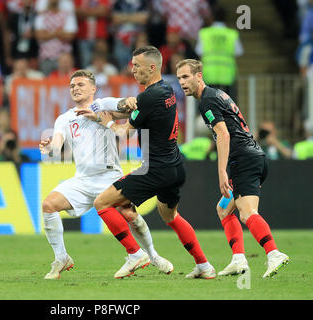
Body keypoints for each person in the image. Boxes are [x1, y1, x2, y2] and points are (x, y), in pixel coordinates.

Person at [79, 46, 216, 279]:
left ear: (152, 67)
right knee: (170, 216)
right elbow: (140, 113)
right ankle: (204, 266)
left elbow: (125, 133)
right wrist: (108, 114)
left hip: (155, 169)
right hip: (175, 166)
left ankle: (135, 254)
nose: (132, 70)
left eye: (137, 66)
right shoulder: (166, 90)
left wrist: (106, 123)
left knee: (102, 203)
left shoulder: (148, 95)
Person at [39, 69, 173, 279]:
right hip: (82, 179)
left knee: (130, 216)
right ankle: (61, 258)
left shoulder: (102, 105)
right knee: (48, 206)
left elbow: (124, 106)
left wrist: (128, 101)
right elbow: (56, 145)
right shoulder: (64, 119)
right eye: (72, 86)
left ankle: (152, 255)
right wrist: (48, 148)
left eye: (81, 85)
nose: (75, 88)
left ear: (93, 89)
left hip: (109, 176)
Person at [176, 59, 290, 278]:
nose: (182, 82)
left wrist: (222, 171)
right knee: (224, 209)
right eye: (179, 77)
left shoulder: (207, 101)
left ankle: (274, 253)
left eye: (186, 76)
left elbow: (223, 134)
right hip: (254, 155)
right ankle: (238, 259)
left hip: (244, 160)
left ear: (199, 76)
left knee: (247, 214)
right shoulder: (218, 94)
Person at [195, 5, 244, 100]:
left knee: (210, 103)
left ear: (212, 17)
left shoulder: (204, 33)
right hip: (227, 75)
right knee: (228, 105)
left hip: (209, 74)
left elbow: (199, 51)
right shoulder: (232, 34)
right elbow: (239, 52)